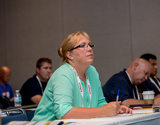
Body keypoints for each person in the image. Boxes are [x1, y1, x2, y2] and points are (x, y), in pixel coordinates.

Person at [32, 31, 131, 121]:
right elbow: (63, 113)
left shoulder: (92, 71)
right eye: (83, 46)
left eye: (90, 45)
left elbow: (100, 103)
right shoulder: (63, 74)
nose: (89, 49)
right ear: (70, 55)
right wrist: (104, 111)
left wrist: (114, 109)